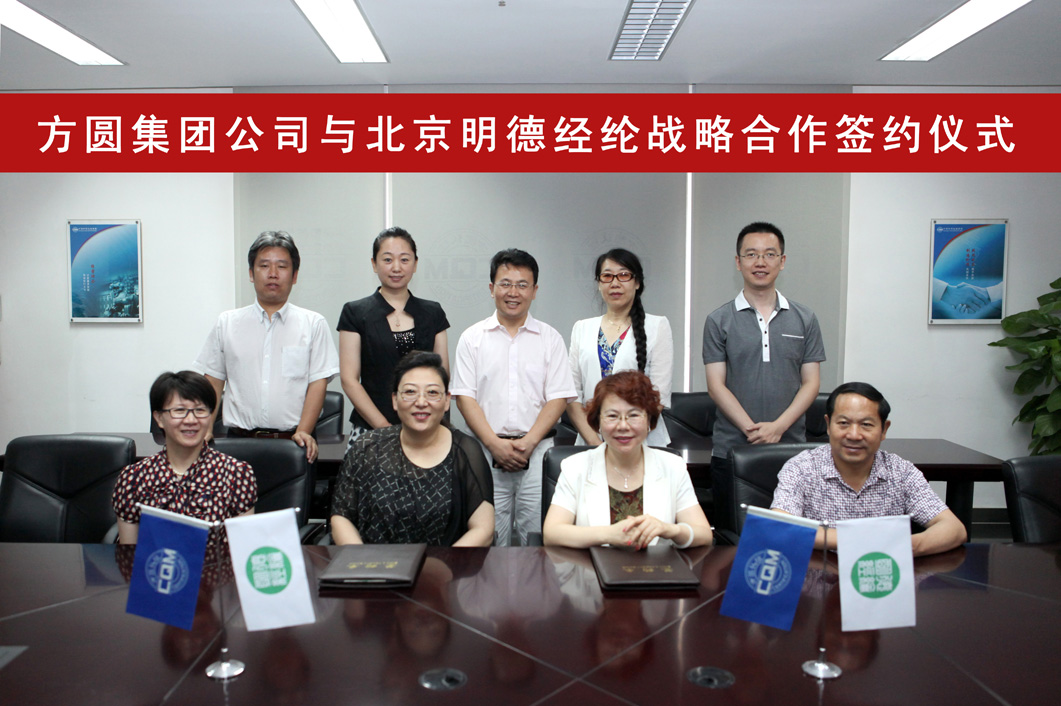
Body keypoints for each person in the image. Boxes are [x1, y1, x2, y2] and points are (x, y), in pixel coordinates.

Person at [702, 221, 826, 528]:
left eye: (770, 254)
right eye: (751, 254)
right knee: (732, 539)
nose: (760, 262)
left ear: (782, 261)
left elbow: (811, 383)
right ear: (738, 262)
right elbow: (716, 386)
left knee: (793, 536)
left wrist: (778, 428)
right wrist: (752, 430)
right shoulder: (718, 320)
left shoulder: (805, 318)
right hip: (732, 449)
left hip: (792, 449)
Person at [451, 249, 577, 546]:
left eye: (522, 285)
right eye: (505, 284)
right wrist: (494, 445)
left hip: (538, 453)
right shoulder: (472, 338)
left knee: (538, 539)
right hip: (484, 452)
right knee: (489, 539)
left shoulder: (550, 338)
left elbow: (558, 398)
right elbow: (465, 397)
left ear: (534, 291)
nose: (513, 292)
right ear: (491, 288)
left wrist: (529, 442)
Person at [771, 382, 967, 556]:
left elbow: (954, 529)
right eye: (843, 423)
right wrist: (861, 541)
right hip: (818, 579)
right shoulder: (801, 468)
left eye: (866, 425)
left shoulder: (901, 471)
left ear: (884, 429)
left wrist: (905, 546)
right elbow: (780, 527)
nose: (854, 435)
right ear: (828, 425)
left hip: (881, 577)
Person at [193, 231, 340, 463]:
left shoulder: (313, 324)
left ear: (294, 276)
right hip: (237, 444)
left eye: (282, 266)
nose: (273, 274)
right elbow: (213, 381)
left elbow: (318, 383)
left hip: (294, 444)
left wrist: (303, 430)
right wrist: (205, 427)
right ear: (251, 274)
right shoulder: (227, 323)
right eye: (264, 266)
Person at [330, 351, 494, 546]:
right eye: (410, 392)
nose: (421, 402)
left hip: (445, 563)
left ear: (446, 401)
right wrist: (362, 560)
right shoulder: (367, 448)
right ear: (394, 400)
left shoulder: (465, 452)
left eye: (432, 392)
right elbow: (341, 517)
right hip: (373, 562)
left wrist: (449, 562)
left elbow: (483, 529)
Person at [543, 371, 712, 549]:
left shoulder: (672, 466)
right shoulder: (575, 467)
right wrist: (609, 534)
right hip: (592, 566)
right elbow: (552, 533)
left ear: (649, 420)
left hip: (656, 566)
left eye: (633, 415)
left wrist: (669, 529)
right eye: (612, 416)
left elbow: (703, 534)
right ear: (598, 422)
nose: (623, 426)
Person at [113, 371, 257, 547]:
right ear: (159, 418)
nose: (191, 420)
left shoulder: (236, 473)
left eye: (200, 410)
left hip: (216, 565)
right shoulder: (133, 478)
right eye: (180, 411)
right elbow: (128, 554)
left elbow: (244, 550)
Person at [336, 227, 450, 445]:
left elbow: (442, 375)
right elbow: (349, 380)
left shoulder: (433, 312)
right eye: (387, 259)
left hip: (425, 428)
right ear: (374, 264)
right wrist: (384, 428)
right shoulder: (355, 312)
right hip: (371, 430)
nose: (396, 267)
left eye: (404, 259)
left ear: (415, 264)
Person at [568, 248, 673, 447]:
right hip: (590, 442)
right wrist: (595, 443)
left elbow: (659, 396)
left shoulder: (657, 326)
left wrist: (624, 438)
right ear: (599, 283)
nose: (615, 283)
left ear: (637, 282)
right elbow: (572, 395)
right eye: (607, 276)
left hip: (641, 442)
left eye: (624, 275)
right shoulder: (582, 328)